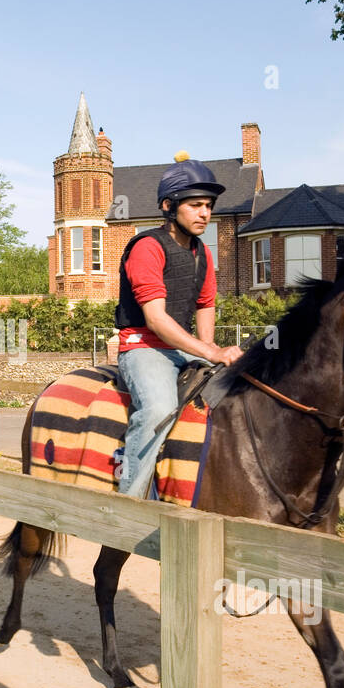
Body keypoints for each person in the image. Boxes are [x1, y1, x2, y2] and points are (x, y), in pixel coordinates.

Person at [115, 152, 244, 499]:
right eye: (196, 205)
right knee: (158, 408)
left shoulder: (202, 251)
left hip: (182, 351)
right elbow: (156, 319)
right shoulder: (147, 247)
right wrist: (211, 350)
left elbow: (205, 304)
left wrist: (209, 355)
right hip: (144, 348)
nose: (205, 213)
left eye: (209, 205)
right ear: (169, 206)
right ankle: (130, 501)